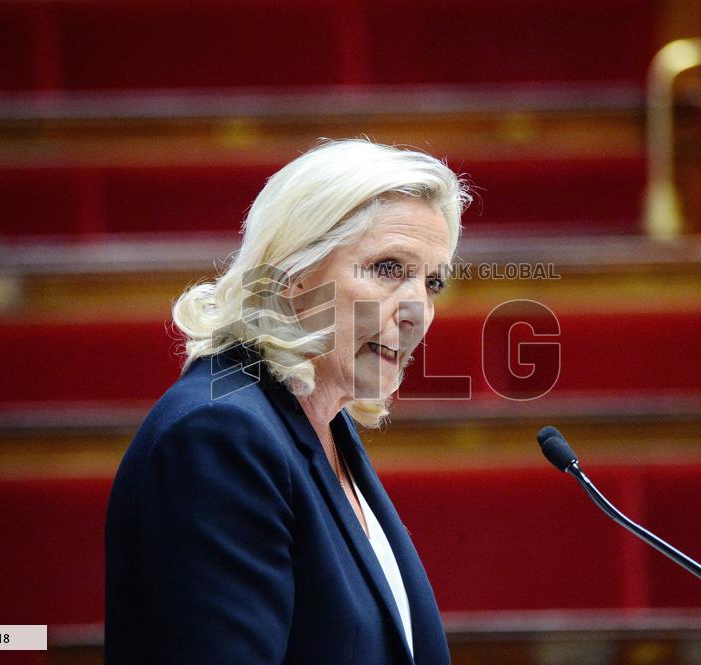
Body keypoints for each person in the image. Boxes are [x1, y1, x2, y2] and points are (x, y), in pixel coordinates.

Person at [105, 138, 471, 664]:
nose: (417, 312)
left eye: (432, 283)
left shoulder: (320, 425)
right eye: (389, 268)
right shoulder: (220, 436)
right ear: (295, 277)